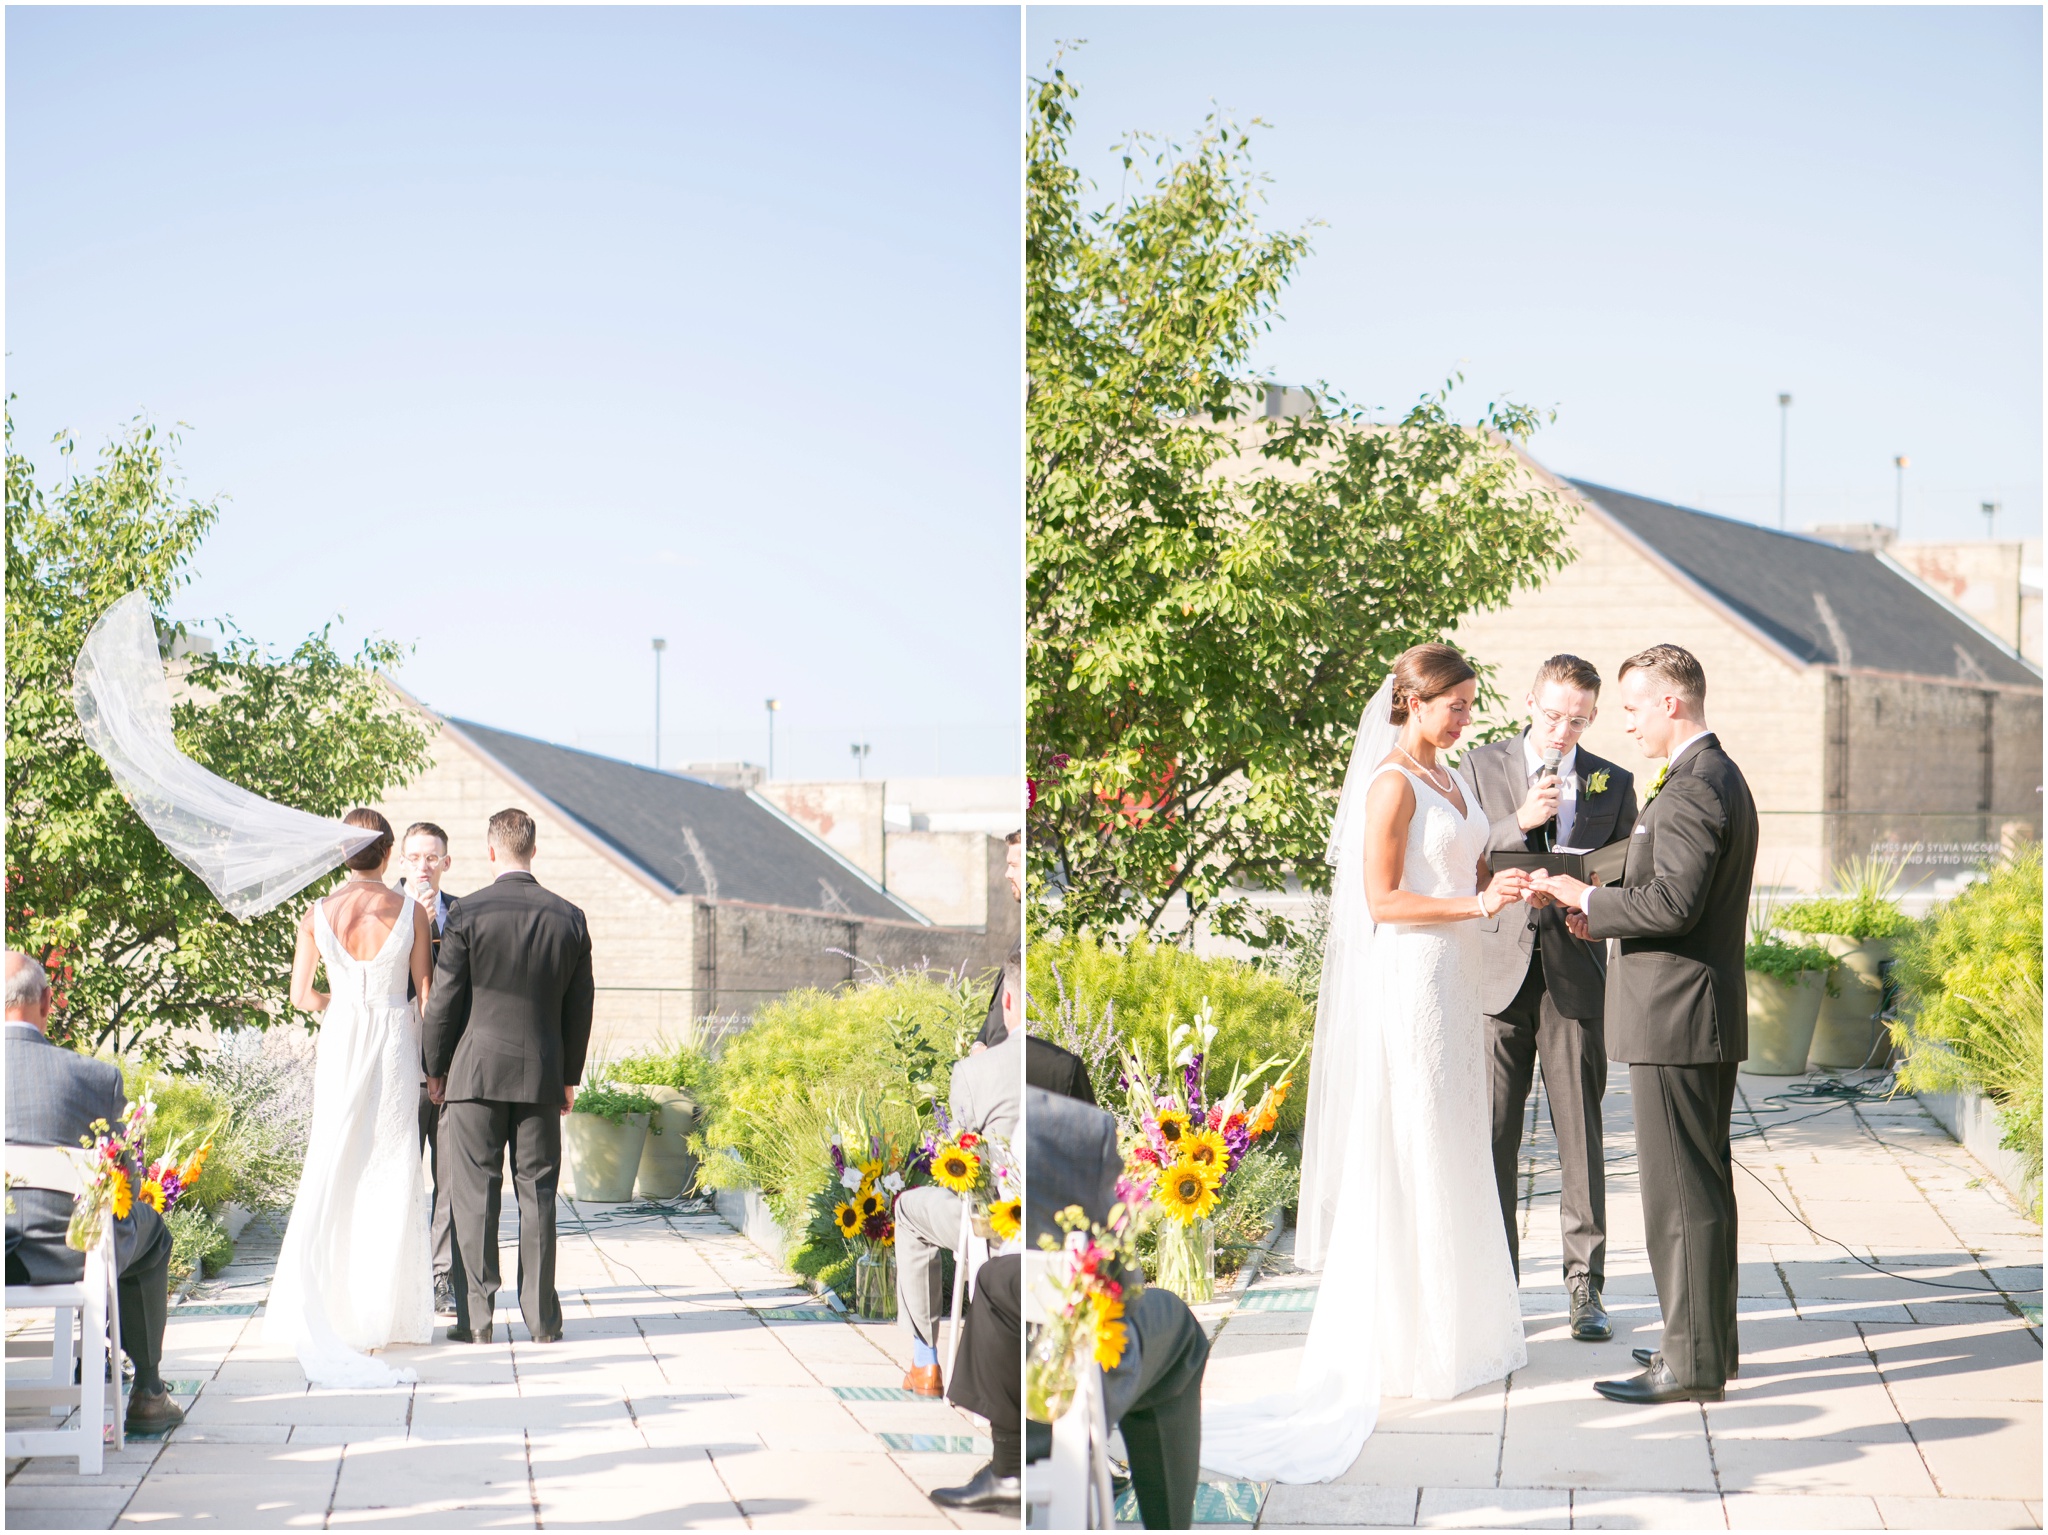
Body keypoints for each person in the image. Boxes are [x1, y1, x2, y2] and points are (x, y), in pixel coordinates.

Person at [1199, 644, 1533, 1483]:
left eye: (1469, 703)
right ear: (1411, 703)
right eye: (1453, 704)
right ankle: (1408, 1343)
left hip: (1454, 977)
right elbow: (1381, 899)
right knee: (1414, 1143)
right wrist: (1473, 900)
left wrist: (1503, 875)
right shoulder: (1391, 783)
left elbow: (1462, 857)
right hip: (1414, 976)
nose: (1465, 717)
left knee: (1457, 1140)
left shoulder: (1451, 780)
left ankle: (1461, 1328)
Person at [1536, 644, 1757, 1404]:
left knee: (1679, 1199)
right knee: (1703, 1189)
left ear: (1671, 703)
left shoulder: (1696, 786)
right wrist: (1592, 889)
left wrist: (1591, 906)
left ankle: (1688, 1363)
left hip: (1676, 1017)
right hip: (1696, 1014)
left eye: (1632, 707)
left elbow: (1674, 905)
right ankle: (1703, 1341)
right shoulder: (1713, 774)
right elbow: (1663, 878)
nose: (1625, 724)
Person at [1459, 655, 1637, 1343]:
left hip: (1574, 972)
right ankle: (1497, 1283)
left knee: (1581, 1136)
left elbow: (1627, 866)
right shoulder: (1479, 767)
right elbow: (1461, 857)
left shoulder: (1612, 782)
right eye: (1554, 714)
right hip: (1497, 971)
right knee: (1494, 1135)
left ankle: (1584, 1287)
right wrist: (1517, 822)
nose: (1564, 729)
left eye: (1579, 719)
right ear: (1531, 698)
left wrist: (1592, 899)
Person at [264, 808, 438, 1386]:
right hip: (392, 1042)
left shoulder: (315, 913)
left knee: (333, 1162)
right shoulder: (411, 910)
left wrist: (339, 1007)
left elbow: (299, 996)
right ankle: (384, 1312)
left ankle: (330, 1303)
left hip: (341, 1041)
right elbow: (425, 997)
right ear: (387, 854)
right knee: (390, 1166)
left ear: (341, 853)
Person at [422, 808, 594, 1345]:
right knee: (538, 1193)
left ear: (491, 852)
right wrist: (569, 1076)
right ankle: (542, 1319)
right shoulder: (570, 917)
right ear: (533, 852)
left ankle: (475, 1320)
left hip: (473, 1076)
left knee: (475, 1196)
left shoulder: (467, 914)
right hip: (541, 1077)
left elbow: (445, 1002)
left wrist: (436, 1068)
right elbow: (580, 1006)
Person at [4, 952, 185, 1436]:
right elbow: (122, 1184)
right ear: (47, 1002)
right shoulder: (94, 1078)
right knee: (149, 1231)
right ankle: (148, 1392)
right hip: (69, 1253)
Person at [1026, 1087, 1211, 1529]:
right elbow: (1122, 1285)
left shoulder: (980, 1097)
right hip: (1053, 1394)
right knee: (1176, 1325)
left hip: (1000, 1385)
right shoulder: (1064, 1124)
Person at [896, 952, 1023, 1397]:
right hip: (1050, 1226)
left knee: (909, 1209)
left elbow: (962, 1162)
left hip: (991, 1228)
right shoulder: (1064, 1064)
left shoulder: (974, 1071)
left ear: (1007, 1001)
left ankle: (925, 1364)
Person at [397, 821, 460, 1317]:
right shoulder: (384, 910)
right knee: (399, 1173)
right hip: (397, 1061)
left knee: (449, 1177)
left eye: (432, 857)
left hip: (452, 1067)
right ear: (401, 861)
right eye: (415, 857)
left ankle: (442, 1277)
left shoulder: (462, 913)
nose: (423, 866)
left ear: (446, 862)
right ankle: (398, 1275)